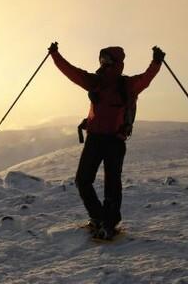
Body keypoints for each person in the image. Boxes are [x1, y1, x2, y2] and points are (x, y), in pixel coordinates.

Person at [48, 42, 165, 239]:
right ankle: (99, 217)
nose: (103, 63)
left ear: (117, 63)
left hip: (115, 140)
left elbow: (146, 79)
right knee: (83, 180)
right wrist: (55, 55)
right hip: (94, 138)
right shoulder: (95, 81)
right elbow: (72, 72)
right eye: (101, 59)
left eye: (107, 60)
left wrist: (156, 62)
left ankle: (109, 223)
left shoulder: (126, 85)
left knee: (112, 183)